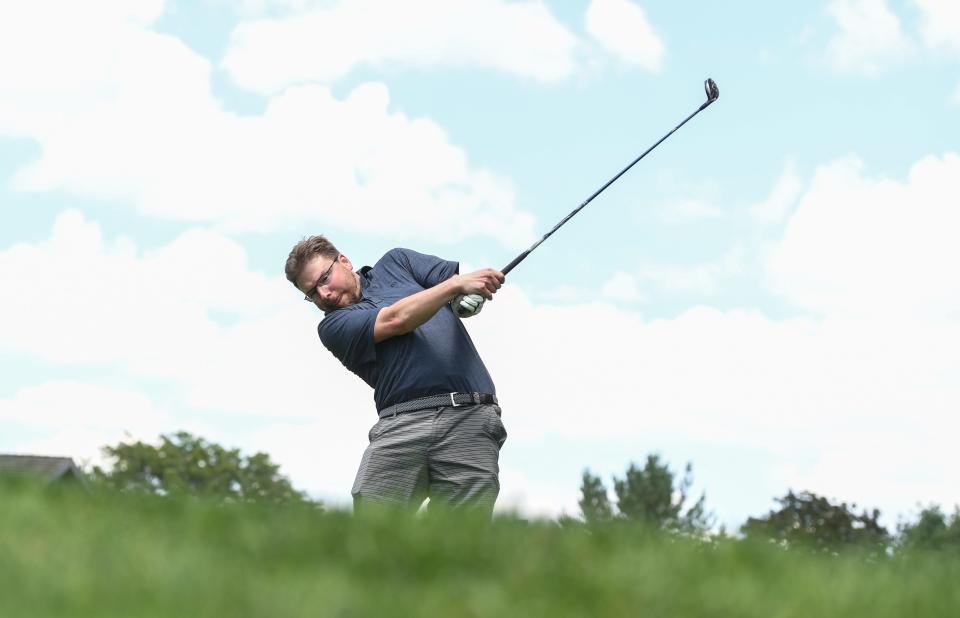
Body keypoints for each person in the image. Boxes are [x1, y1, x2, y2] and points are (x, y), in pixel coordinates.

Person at [285, 236, 507, 516]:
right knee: (372, 536)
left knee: (463, 542)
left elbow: (455, 289)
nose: (324, 294)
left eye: (324, 279)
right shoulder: (333, 326)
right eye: (312, 293)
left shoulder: (398, 261)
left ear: (344, 261)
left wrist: (468, 296)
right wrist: (455, 287)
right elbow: (396, 319)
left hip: (469, 417)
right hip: (400, 425)